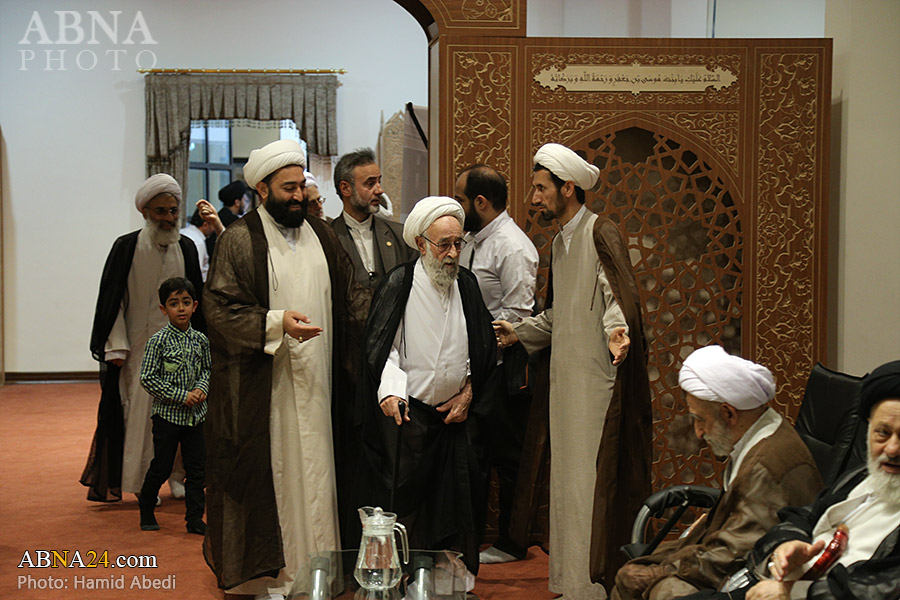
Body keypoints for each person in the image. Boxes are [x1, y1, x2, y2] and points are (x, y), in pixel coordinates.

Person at [202, 139, 370, 599]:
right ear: (262, 189)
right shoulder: (240, 239)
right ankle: (275, 576)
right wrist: (276, 322)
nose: (298, 196)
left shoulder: (322, 234)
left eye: (301, 187)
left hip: (320, 380)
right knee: (277, 471)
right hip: (268, 385)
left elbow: (353, 295)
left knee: (318, 470)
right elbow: (219, 309)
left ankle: (320, 571)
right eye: (288, 188)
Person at [494, 143, 652, 597]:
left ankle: (593, 589)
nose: (534, 198)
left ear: (568, 188)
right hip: (564, 389)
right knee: (567, 487)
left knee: (589, 488)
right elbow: (559, 316)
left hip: (594, 389)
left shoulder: (600, 231)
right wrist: (519, 333)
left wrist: (618, 331)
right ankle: (569, 584)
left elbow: (616, 295)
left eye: (541, 188)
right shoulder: (560, 242)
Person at [355, 196, 498, 578]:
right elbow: (382, 349)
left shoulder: (466, 284)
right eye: (443, 244)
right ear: (421, 244)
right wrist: (390, 390)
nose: (452, 254)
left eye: (458, 244)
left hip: (456, 419)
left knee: (457, 503)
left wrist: (468, 393)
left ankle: (449, 579)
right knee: (408, 506)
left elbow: (483, 349)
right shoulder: (400, 283)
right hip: (410, 419)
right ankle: (403, 579)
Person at [611, 345, 823, 600]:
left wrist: (661, 572)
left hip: (751, 575)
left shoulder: (764, 467)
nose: (698, 432)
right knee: (632, 573)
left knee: (651, 585)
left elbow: (737, 554)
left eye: (700, 419)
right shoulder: (760, 432)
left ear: (729, 413)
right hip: (726, 551)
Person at [680, 359, 900, 600]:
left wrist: (794, 593)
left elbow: (876, 590)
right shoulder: (861, 477)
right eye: (883, 432)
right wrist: (787, 544)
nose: (892, 449)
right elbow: (801, 516)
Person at [81, 174, 204, 504]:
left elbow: (198, 301)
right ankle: (141, 482)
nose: (168, 218)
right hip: (138, 350)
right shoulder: (126, 247)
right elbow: (113, 301)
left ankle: (178, 476)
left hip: (182, 350)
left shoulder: (187, 247)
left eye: (173, 210)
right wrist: (116, 345)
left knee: (183, 414)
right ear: (145, 212)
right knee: (141, 418)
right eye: (161, 211)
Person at [454, 164, 538, 565]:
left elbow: (518, 316)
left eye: (461, 199)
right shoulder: (473, 240)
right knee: (474, 457)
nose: (458, 206)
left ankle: (511, 543)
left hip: (504, 370)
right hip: (475, 368)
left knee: (508, 460)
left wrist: (481, 342)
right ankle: (466, 542)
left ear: (481, 202)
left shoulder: (512, 246)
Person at [137, 277, 209, 535]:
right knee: (162, 466)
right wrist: (181, 395)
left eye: (186, 302)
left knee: (197, 470)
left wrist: (201, 388)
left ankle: (194, 519)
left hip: (196, 417)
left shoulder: (201, 340)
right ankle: (146, 508)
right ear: (163, 309)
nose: (181, 308)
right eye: (174, 303)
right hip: (167, 417)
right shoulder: (158, 341)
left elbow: (207, 369)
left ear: (195, 306)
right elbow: (147, 378)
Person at [331, 147, 416, 289]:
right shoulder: (329, 237)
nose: (379, 190)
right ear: (345, 188)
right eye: (370, 184)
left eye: (379, 182)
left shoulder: (401, 236)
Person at [179, 210, 216, 281]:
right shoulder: (198, 242)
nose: (214, 229)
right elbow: (198, 271)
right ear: (205, 225)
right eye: (213, 225)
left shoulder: (182, 231)